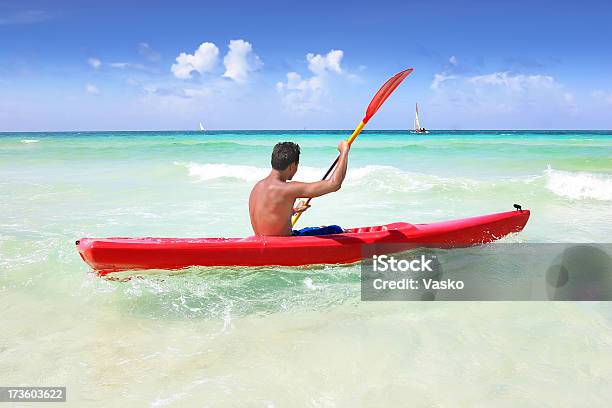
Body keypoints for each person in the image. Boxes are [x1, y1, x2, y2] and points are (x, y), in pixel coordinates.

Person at [249, 140, 350, 236]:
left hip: (262, 244)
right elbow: (334, 184)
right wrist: (344, 151)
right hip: (282, 245)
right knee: (336, 229)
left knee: (319, 228)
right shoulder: (287, 188)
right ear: (292, 166)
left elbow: (270, 215)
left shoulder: (257, 187)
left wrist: (293, 210)